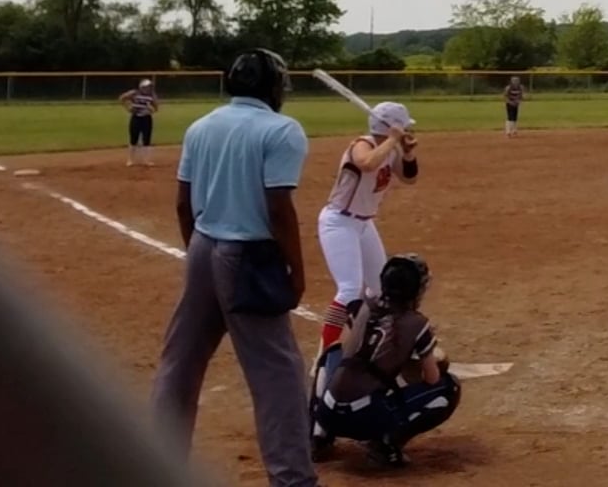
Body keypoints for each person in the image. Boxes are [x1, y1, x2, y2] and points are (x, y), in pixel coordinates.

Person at [149, 49, 318, 487]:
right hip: (247, 257)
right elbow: (278, 208)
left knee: (179, 363)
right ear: (272, 86)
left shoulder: (201, 126)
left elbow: (183, 203)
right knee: (278, 374)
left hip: (202, 246)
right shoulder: (281, 130)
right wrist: (296, 272)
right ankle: (293, 479)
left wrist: (198, 254)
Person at [310, 101, 418, 450]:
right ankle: (325, 354)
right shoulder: (364, 144)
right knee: (349, 288)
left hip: (364, 225)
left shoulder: (389, 148)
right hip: (338, 222)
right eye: (403, 126)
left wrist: (407, 151)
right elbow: (367, 162)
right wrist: (393, 140)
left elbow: (410, 177)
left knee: (380, 291)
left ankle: (374, 346)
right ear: (389, 127)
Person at [310, 254, 460, 467]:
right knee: (449, 387)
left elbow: (351, 349)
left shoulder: (363, 307)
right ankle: (385, 446)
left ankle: (318, 436)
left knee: (332, 354)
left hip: (327, 414)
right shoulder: (416, 323)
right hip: (364, 421)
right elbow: (432, 378)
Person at [121, 78, 160, 166]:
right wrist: (128, 107)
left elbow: (156, 107)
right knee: (133, 138)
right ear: (141, 87)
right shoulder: (135, 93)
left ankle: (146, 160)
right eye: (147, 87)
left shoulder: (152, 95)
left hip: (146, 118)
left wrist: (151, 110)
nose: (148, 88)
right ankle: (130, 160)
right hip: (136, 118)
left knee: (146, 139)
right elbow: (122, 98)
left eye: (149, 87)